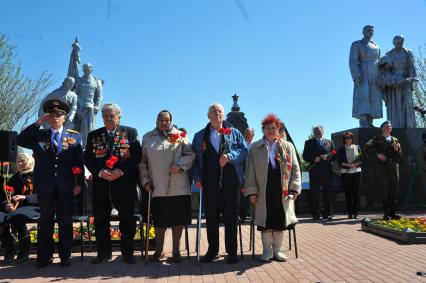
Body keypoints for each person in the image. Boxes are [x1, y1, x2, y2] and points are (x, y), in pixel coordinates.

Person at [16, 99, 84, 268]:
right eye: (51, 115)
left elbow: (78, 162)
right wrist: (38, 122)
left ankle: (65, 256)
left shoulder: (74, 136)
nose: (55, 117)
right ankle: (44, 257)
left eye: (59, 115)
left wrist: (79, 182)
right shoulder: (39, 135)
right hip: (45, 185)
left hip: (66, 185)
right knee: (45, 221)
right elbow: (20, 140)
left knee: (65, 221)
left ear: (65, 117)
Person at [84, 103, 141, 264]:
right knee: (101, 220)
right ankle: (103, 253)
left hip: (124, 184)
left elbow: (136, 156)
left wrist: (120, 171)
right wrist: (101, 172)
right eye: (105, 116)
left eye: (112, 116)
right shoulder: (94, 135)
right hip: (101, 185)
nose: (108, 119)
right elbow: (88, 158)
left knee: (127, 220)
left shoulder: (130, 132)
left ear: (119, 116)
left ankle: (128, 254)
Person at [191, 103, 248, 264]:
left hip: (230, 181)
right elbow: (195, 158)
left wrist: (230, 156)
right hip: (209, 182)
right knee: (211, 217)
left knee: (231, 217)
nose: (217, 114)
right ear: (208, 116)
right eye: (213, 112)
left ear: (223, 115)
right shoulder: (200, 135)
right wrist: (196, 178)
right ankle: (212, 250)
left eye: (220, 111)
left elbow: (244, 151)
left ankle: (232, 252)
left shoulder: (234, 132)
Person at [139, 110, 195, 263]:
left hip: (179, 187)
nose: (164, 123)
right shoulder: (148, 138)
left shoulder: (181, 136)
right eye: (160, 120)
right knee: (159, 222)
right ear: (156, 121)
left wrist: (180, 165)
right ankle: (158, 250)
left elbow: (190, 154)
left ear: (171, 121)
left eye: (166, 120)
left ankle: (176, 251)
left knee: (178, 221)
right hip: (158, 188)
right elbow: (143, 163)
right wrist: (146, 181)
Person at [244, 114, 301, 262]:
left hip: (282, 191)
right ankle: (267, 251)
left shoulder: (287, 146)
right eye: (268, 128)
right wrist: (251, 191)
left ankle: (277, 251)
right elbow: (249, 172)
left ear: (278, 129)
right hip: (263, 191)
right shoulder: (255, 148)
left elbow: (295, 169)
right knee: (266, 222)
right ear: (263, 129)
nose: (271, 130)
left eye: (273, 128)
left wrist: (294, 189)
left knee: (279, 222)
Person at [0, 153, 39, 263]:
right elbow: (5, 195)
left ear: (29, 161)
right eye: (19, 161)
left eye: (23, 161)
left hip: (32, 206)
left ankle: (25, 246)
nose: (20, 164)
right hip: (13, 208)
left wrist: (24, 197)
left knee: (17, 215)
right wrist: (6, 205)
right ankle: (9, 245)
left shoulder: (37, 176)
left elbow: (41, 196)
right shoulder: (15, 177)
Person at [364, 121, 402, 220]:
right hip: (382, 167)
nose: (388, 128)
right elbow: (367, 148)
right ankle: (386, 214)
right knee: (384, 190)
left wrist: (397, 149)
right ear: (381, 128)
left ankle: (393, 213)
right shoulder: (376, 139)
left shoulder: (395, 140)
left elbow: (400, 155)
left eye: (389, 126)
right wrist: (377, 154)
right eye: (385, 126)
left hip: (393, 167)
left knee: (394, 190)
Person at [380, 35, 417, 128]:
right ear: (394, 43)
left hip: (406, 81)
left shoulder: (408, 53)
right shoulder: (389, 54)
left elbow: (412, 68)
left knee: (407, 103)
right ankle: (396, 126)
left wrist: (411, 79)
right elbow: (384, 69)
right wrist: (391, 79)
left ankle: (409, 126)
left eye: (400, 42)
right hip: (394, 82)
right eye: (397, 43)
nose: (399, 44)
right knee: (395, 104)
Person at [349, 25, 382, 128]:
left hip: (375, 74)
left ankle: (370, 121)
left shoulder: (376, 46)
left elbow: (379, 61)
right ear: (363, 32)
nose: (370, 31)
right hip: (363, 72)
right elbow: (353, 61)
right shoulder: (357, 44)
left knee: (374, 97)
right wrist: (356, 75)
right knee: (364, 96)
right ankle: (363, 121)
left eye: (372, 30)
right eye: (368, 30)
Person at [302, 126, 336, 220]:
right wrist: (313, 159)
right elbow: (305, 156)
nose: (318, 133)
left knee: (327, 194)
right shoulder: (308, 143)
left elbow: (334, 154)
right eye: (316, 131)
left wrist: (328, 157)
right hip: (315, 172)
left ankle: (327, 214)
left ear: (323, 132)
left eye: (319, 131)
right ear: (313, 132)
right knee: (314, 195)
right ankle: (315, 214)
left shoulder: (329, 142)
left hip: (327, 172)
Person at [74, 63, 103, 148]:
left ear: (91, 69)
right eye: (84, 69)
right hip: (78, 107)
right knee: (74, 127)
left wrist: (97, 106)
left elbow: (99, 96)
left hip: (89, 108)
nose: (86, 70)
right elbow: (75, 92)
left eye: (88, 68)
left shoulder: (96, 81)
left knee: (88, 128)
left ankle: (86, 147)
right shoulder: (79, 80)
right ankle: (75, 147)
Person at [336, 132, 362, 219]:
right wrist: (348, 165)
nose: (348, 139)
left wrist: (356, 164)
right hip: (345, 173)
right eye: (347, 138)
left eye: (350, 137)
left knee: (356, 192)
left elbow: (362, 159)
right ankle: (350, 212)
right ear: (344, 139)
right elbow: (339, 162)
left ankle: (356, 212)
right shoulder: (340, 149)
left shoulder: (357, 147)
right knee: (348, 193)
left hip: (356, 171)